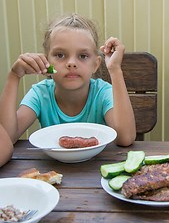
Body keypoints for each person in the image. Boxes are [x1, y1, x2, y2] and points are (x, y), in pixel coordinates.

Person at [0, 13, 136, 146]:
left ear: (95, 64)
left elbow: (126, 138)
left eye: (83, 56)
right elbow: (7, 138)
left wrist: (115, 70)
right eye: (60, 55)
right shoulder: (40, 94)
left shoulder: (102, 92)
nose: (71, 63)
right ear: (46, 61)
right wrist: (14, 76)